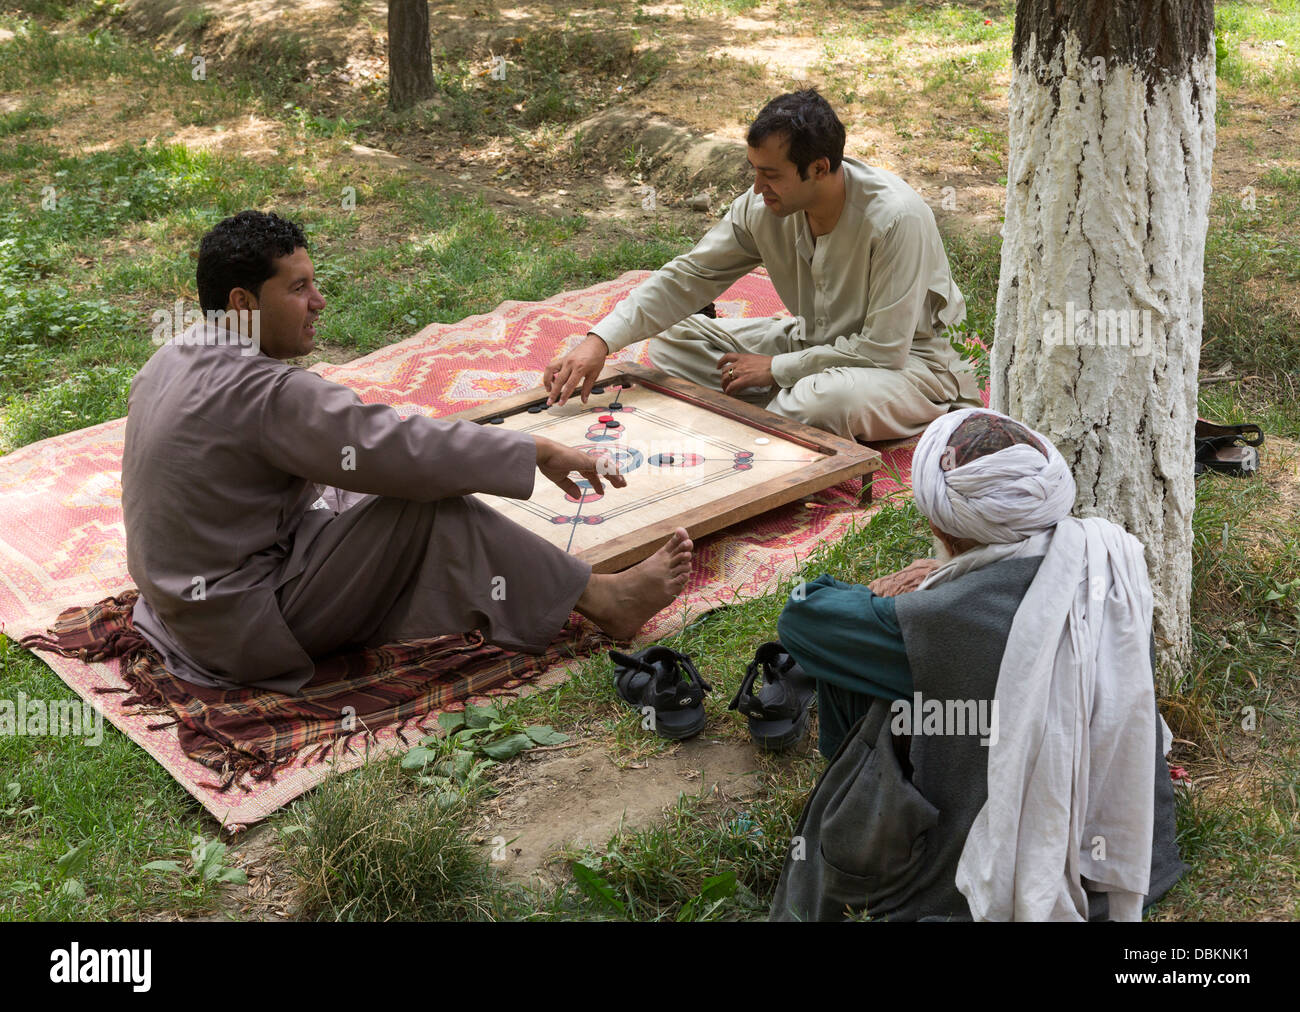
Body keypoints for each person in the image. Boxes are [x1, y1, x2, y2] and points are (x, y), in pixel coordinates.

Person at [122, 210, 692, 695]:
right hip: (242, 628)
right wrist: (538, 449)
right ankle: (602, 599)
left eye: (313, 283)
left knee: (366, 481)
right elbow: (400, 449)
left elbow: (362, 446)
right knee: (428, 507)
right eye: (297, 289)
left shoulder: (170, 358)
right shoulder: (269, 394)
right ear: (242, 303)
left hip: (180, 610)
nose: (318, 302)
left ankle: (559, 587)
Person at [770, 408, 1184, 921]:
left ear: (944, 527)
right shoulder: (1105, 557)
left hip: (958, 886)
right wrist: (950, 577)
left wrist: (920, 591)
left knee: (856, 662)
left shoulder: (938, 617)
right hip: (1132, 863)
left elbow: (803, 615)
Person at [542, 89, 981, 442]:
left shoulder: (895, 218)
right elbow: (688, 277)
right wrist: (598, 342)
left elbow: (884, 351)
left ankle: (773, 417)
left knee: (822, 401)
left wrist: (775, 369)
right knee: (674, 340)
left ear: (819, 167)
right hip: (813, 342)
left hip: (908, 366)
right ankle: (780, 409)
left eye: (770, 174)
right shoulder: (761, 206)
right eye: (754, 170)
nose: (757, 187)